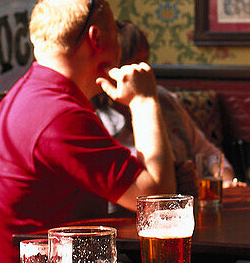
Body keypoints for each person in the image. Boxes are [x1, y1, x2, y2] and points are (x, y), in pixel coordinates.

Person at [0, 0, 181, 263]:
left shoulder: (40, 96)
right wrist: (145, 100)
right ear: (97, 39)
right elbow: (159, 203)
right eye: (116, 31)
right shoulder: (59, 115)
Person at [93, 20, 234, 188]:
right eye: (135, 62)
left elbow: (206, 151)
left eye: (146, 60)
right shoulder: (98, 120)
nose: (145, 69)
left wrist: (226, 181)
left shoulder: (163, 99)